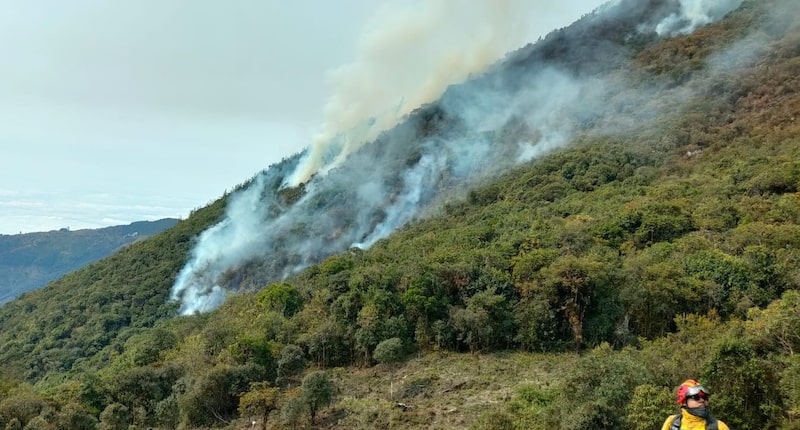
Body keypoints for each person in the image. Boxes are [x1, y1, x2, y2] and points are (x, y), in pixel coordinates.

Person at [660, 379, 729, 430]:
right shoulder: (672, 422)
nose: (702, 400)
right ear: (684, 402)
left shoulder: (719, 427)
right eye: (696, 397)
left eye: (705, 397)